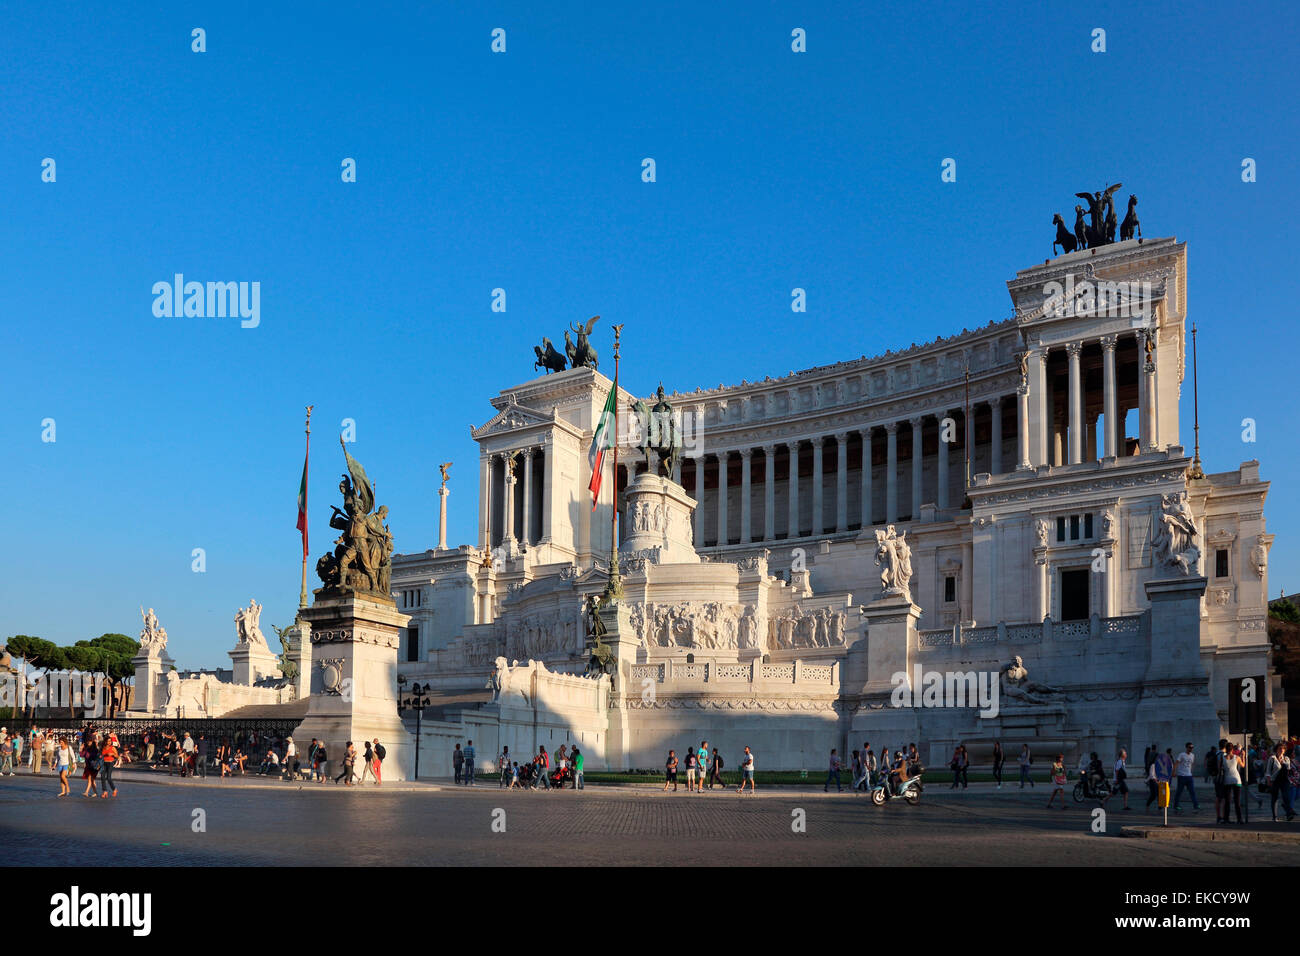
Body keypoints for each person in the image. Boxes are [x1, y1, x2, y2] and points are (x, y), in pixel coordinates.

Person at [1266, 743, 1295, 822]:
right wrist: (1269, 780)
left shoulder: (1286, 759)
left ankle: (1289, 814)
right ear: (1276, 749)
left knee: (1286, 796)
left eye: (1283, 748)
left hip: (1284, 780)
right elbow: (1268, 771)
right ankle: (1274, 816)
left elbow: (1288, 769)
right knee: (1274, 798)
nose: (1281, 750)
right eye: (1280, 748)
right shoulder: (1272, 758)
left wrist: (1283, 763)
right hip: (1275, 780)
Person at [1221, 743, 1244, 824]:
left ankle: (1226, 819)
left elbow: (1219, 768)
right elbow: (1243, 765)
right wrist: (1243, 756)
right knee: (1237, 801)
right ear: (1232, 750)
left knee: (1227, 801)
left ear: (1226, 749)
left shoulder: (1222, 758)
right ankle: (1239, 819)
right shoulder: (1237, 757)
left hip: (1227, 780)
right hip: (1236, 780)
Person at [1173, 742, 1199, 812]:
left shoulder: (1192, 755)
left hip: (1189, 776)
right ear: (1187, 747)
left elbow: (1192, 764)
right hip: (1181, 776)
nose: (1191, 749)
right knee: (1179, 792)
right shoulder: (1182, 755)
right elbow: (1176, 763)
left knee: (1192, 791)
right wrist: (1173, 772)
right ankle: (1176, 805)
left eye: (1192, 747)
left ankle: (1196, 805)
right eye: (1190, 747)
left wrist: (1191, 772)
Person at [81, 734, 102, 798]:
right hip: (88, 765)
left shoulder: (95, 749)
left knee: (90, 779)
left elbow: (96, 757)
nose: (88, 742)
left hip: (94, 766)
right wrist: (81, 749)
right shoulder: (86, 748)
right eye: (87, 741)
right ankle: (96, 793)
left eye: (89, 741)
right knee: (92, 780)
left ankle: (86, 792)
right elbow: (81, 755)